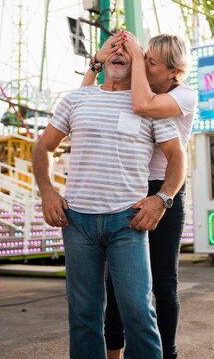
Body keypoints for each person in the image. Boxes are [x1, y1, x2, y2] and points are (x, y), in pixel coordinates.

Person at [33, 42, 186, 359]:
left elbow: (177, 156)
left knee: (138, 313)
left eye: (127, 52)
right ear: (102, 60)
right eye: (112, 50)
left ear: (139, 65)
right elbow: (43, 147)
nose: (118, 53)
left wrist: (162, 199)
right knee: (83, 315)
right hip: (77, 222)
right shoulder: (77, 98)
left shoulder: (149, 106)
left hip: (126, 223)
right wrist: (47, 191)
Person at [82, 31, 197, 359]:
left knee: (163, 283)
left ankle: (166, 353)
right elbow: (84, 103)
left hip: (165, 189)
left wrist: (162, 198)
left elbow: (143, 104)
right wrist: (98, 61)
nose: (143, 66)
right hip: (127, 187)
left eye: (151, 62)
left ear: (173, 71)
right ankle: (113, 353)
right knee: (116, 284)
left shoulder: (183, 96)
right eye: (143, 59)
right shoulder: (137, 89)